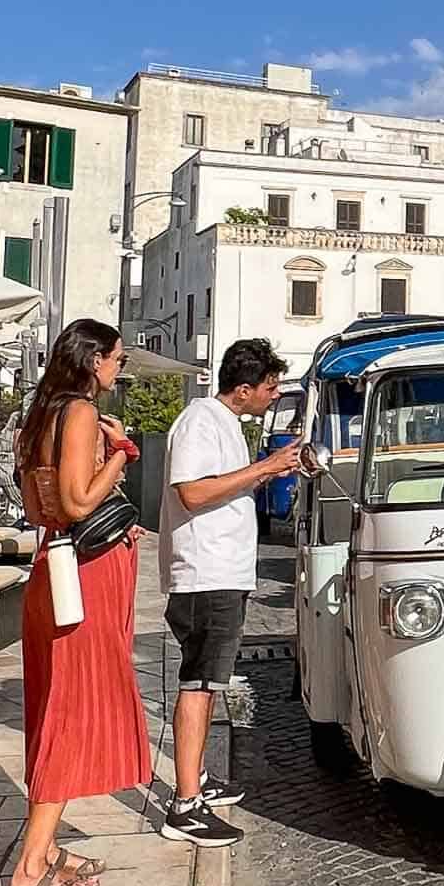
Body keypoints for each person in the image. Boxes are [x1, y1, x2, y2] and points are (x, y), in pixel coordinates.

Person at [8, 319, 151, 886]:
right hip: (86, 579)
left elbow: (42, 504)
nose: (120, 370)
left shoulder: (38, 415)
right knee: (73, 712)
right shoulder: (82, 414)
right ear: (95, 361)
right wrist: (121, 453)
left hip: (53, 568)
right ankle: (29, 868)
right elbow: (77, 499)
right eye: (117, 359)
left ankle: (43, 852)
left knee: (55, 708)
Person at [159, 339, 300, 846]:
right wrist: (265, 468)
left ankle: (195, 779)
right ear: (243, 390)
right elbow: (192, 492)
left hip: (223, 573)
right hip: (206, 575)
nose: (275, 394)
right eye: (270, 386)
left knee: (210, 680)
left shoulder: (226, 426)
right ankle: (184, 804)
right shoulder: (200, 422)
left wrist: (271, 471)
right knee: (199, 681)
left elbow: (224, 489)